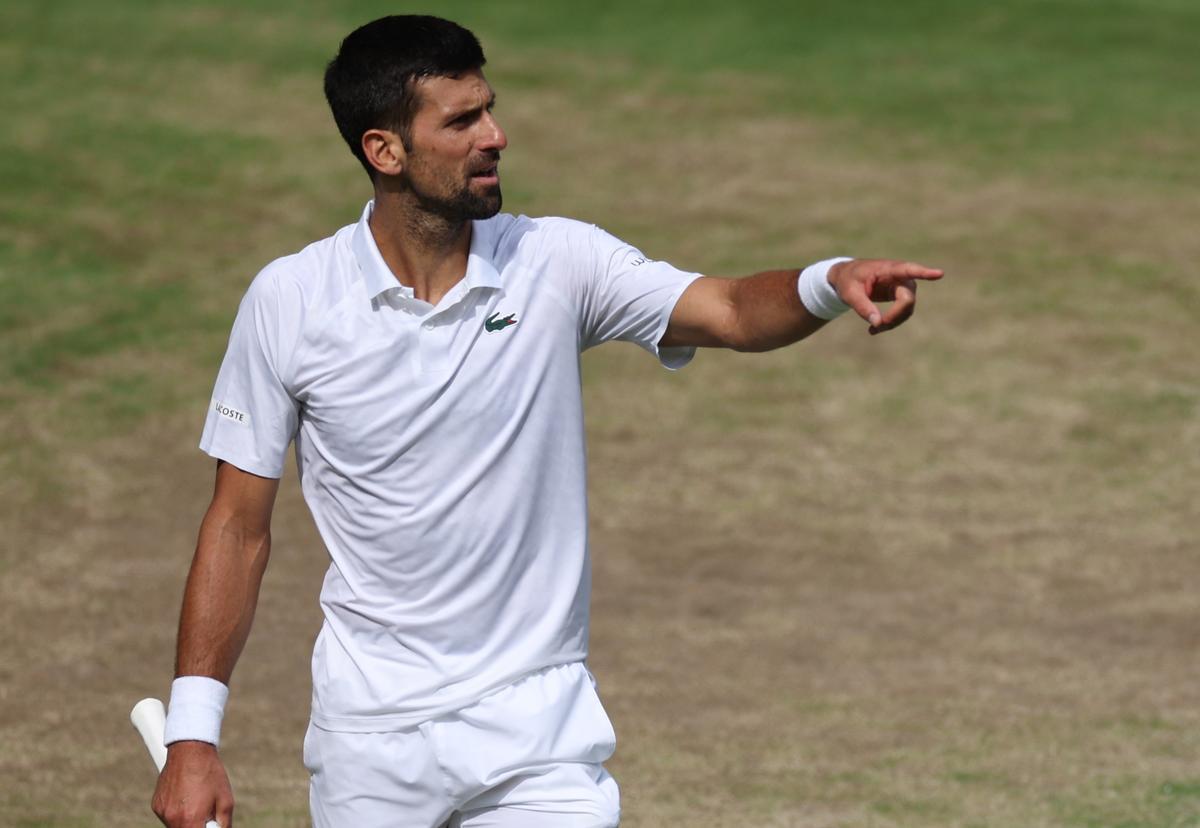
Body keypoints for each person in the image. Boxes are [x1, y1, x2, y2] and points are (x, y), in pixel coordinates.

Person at [151, 14, 943, 828]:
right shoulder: (289, 302)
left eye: (489, 109)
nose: (495, 135)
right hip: (372, 739)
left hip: (539, 735)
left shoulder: (559, 262)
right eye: (461, 122)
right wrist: (192, 738)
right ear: (384, 150)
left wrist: (827, 280)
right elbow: (237, 528)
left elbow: (733, 309)